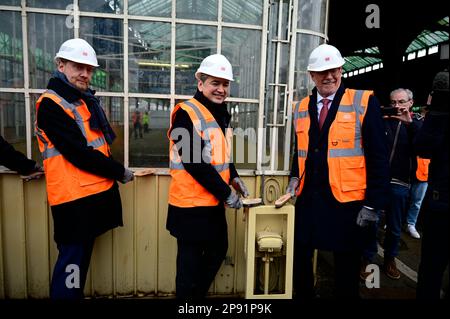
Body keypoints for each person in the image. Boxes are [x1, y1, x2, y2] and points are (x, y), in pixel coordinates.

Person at [286, 44, 390, 299]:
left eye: (333, 70)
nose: (329, 76)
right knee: (300, 259)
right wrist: (292, 177)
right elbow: (300, 150)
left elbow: (379, 157)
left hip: (348, 204)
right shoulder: (301, 107)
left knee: (346, 269)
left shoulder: (363, 101)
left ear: (342, 70)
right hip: (309, 200)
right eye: (322, 72)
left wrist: (373, 204)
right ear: (311, 74)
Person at [35, 38, 134, 299]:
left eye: (89, 69)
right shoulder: (52, 104)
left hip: (87, 198)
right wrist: (119, 171)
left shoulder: (80, 100)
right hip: (73, 201)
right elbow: (79, 154)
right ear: (61, 64)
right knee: (71, 267)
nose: (85, 74)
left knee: (77, 266)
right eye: (79, 67)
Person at [166, 54, 249, 299]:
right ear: (200, 84)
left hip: (211, 203)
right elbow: (193, 162)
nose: (221, 89)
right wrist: (227, 193)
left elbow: (219, 154)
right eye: (215, 83)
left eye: (225, 84)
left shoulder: (220, 113)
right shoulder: (185, 113)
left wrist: (233, 176)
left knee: (218, 250)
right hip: (190, 205)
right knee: (189, 265)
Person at [364, 88, 422, 280]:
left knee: (395, 227)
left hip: (400, 182)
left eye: (401, 102)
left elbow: (424, 147)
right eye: (393, 102)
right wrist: (377, 114)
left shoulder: (417, 124)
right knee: (370, 222)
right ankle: (368, 259)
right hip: (377, 181)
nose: (397, 106)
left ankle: (390, 259)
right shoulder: (382, 120)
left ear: (410, 103)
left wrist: (410, 124)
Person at [415, 70, 449, 299]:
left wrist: (434, 109)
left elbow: (422, 147)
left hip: (442, 206)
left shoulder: (440, 118)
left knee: (431, 269)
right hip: (441, 204)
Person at [405, 156, 429, 239]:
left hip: (424, 172)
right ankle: (394, 221)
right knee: (400, 199)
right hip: (405, 169)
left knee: (417, 202)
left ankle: (411, 224)